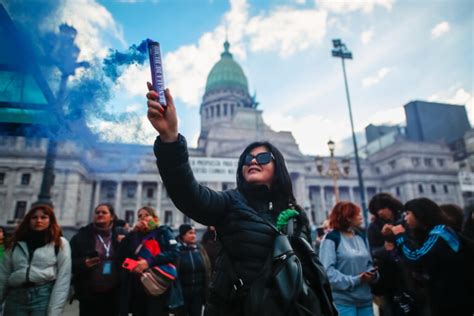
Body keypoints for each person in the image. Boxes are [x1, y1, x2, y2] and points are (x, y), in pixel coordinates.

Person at [145, 84, 335, 316]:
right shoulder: (230, 203)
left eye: (263, 157)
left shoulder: (295, 213)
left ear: (279, 167)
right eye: (247, 158)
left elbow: (309, 270)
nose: (253, 161)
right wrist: (170, 138)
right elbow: (189, 195)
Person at [390, 198, 473, 315]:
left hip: (451, 296)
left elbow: (416, 257)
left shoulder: (439, 233)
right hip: (451, 294)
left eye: (408, 213)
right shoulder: (440, 231)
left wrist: (400, 236)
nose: (405, 218)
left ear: (420, 213)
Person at [0, 203, 71, 316]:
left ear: (50, 220)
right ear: (28, 220)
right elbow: (3, 275)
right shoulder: (15, 243)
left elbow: (63, 278)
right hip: (15, 298)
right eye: (34, 217)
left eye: (43, 217)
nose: (38, 220)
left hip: (43, 297)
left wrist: (54, 312)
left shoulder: (60, 243)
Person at [117, 206, 179, 316]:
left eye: (146, 215)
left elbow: (174, 253)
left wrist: (148, 262)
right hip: (137, 285)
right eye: (140, 216)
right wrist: (132, 233)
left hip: (157, 284)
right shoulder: (134, 236)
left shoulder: (162, 232)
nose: (142, 218)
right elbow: (121, 254)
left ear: (154, 218)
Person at [320, 201, 377, 316]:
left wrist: (374, 275)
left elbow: (368, 263)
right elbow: (327, 272)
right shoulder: (331, 239)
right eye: (357, 214)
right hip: (344, 302)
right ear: (348, 218)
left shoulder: (361, 236)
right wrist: (357, 280)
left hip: (365, 300)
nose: (361, 216)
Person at [70, 203, 121, 316]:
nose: (100, 214)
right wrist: (83, 263)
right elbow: (68, 262)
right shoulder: (81, 236)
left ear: (111, 217)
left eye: (104, 212)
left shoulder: (120, 236)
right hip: (89, 294)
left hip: (114, 294)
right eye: (97, 212)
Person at [176, 224, 211, 316]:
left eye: (195, 233)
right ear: (183, 235)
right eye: (190, 233)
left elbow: (207, 269)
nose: (194, 236)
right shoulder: (177, 250)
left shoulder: (200, 249)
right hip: (182, 293)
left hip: (198, 293)